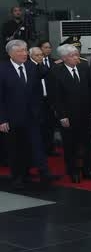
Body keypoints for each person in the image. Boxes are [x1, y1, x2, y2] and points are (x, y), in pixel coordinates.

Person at [0, 40, 54, 189]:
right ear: (10, 53)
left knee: (36, 144)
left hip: (32, 115)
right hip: (12, 117)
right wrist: (2, 119)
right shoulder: (2, 69)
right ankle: (18, 175)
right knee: (16, 147)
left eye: (25, 50)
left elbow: (46, 76)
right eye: (20, 51)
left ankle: (43, 171)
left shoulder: (32, 66)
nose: (24, 54)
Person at [49, 44, 91, 183]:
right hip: (68, 115)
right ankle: (73, 170)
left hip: (86, 113)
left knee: (89, 143)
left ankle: (88, 169)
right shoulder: (56, 72)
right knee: (71, 144)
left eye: (77, 54)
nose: (77, 57)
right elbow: (55, 97)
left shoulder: (84, 67)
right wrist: (62, 116)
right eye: (73, 55)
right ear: (64, 58)